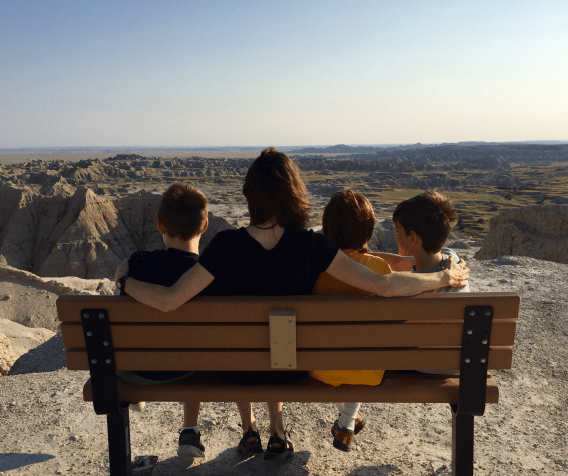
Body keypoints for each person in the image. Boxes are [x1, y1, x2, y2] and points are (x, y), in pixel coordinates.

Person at [117, 148, 470, 460]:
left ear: (250, 196)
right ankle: (278, 429)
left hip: (236, 371)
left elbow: (168, 301)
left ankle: (251, 428)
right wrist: (443, 277)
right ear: (295, 195)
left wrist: (125, 281)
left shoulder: (225, 246)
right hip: (289, 370)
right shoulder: (311, 246)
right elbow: (384, 285)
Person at [113, 183, 257, 459]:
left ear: (159, 225)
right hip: (189, 369)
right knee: (193, 348)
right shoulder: (207, 276)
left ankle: (181, 424)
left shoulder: (137, 263)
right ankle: (190, 430)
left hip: (137, 370)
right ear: (204, 225)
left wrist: (124, 281)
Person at [310, 189, 404, 452]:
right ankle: (348, 421)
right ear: (368, 230)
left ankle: (349, 420)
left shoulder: (317, 270)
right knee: (361, 354)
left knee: (339, 354)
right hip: (371, 370)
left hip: (320, 369)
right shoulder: (380, 270)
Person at [393, 190, 469, 375]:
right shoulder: (454, 261)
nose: (395, 235)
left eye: (397, 230)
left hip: (421, 366)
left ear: (412, 237)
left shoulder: (411, 287)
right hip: (455, 365)